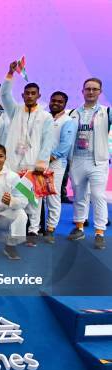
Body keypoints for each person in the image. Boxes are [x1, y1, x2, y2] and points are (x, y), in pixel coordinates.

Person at [1, 61, 53, 246]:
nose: (30, 96)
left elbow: (48, 141)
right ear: (22, 95)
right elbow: (4, 95)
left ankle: (33, 231)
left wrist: (42, 161)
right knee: (14, 195)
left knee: (33, 199)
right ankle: (15, 230)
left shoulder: (45, 116)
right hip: (14, 163)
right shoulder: (15, 110)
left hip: (33, 165)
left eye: (33, 93)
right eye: (27, 93)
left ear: (39, 96)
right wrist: (9, 74)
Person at [67, 78, 111, 249]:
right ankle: (79, 228)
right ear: (82, 91)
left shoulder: (107, 112)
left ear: (100, 92)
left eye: (94, 89)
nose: (91, 92)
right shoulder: (73, 113)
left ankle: (100, 232)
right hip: (77, 159)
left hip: (97, 161)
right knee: (79, 195)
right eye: (88, 89)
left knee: (98, 196)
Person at [42, 91, 76, 243]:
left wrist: (50, 157)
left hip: (55, 163)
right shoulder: (45, 117)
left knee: (52, 196)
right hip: (40, 162)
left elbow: (66, 144)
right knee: (38, 196)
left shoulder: (68, 121)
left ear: (65, 104)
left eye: (59, 102)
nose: (55, 103)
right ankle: (38, 227)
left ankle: (50, 229)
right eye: (53, 100)